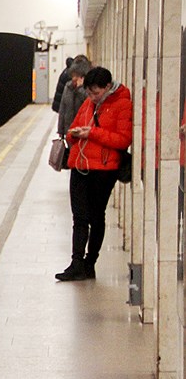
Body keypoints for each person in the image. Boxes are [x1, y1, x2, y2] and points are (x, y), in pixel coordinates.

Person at [56, 66, 133, 281]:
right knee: (79, 217)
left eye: (96, 93)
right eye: (89, 93)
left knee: (96, 216)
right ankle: (76, 263)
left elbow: (123, 139)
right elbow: (73, 128)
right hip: (80, 165)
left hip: (104, 169)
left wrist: (93, 133)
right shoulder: (89, 104)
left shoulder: (122, 103)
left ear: (108, 87)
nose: (92, 97)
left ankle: (90, 262)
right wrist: (73, 135)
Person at [55, 55, 91, 169]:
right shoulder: (68, 87)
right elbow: (63, 108)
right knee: (73, 157)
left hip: (83, 131)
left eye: (76, 75)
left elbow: (89, 102)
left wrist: (80, 89)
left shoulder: (88, 88)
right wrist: (60, 130)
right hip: (69, 130)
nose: (74, 78)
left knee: (83, 157)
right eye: (73, 75)